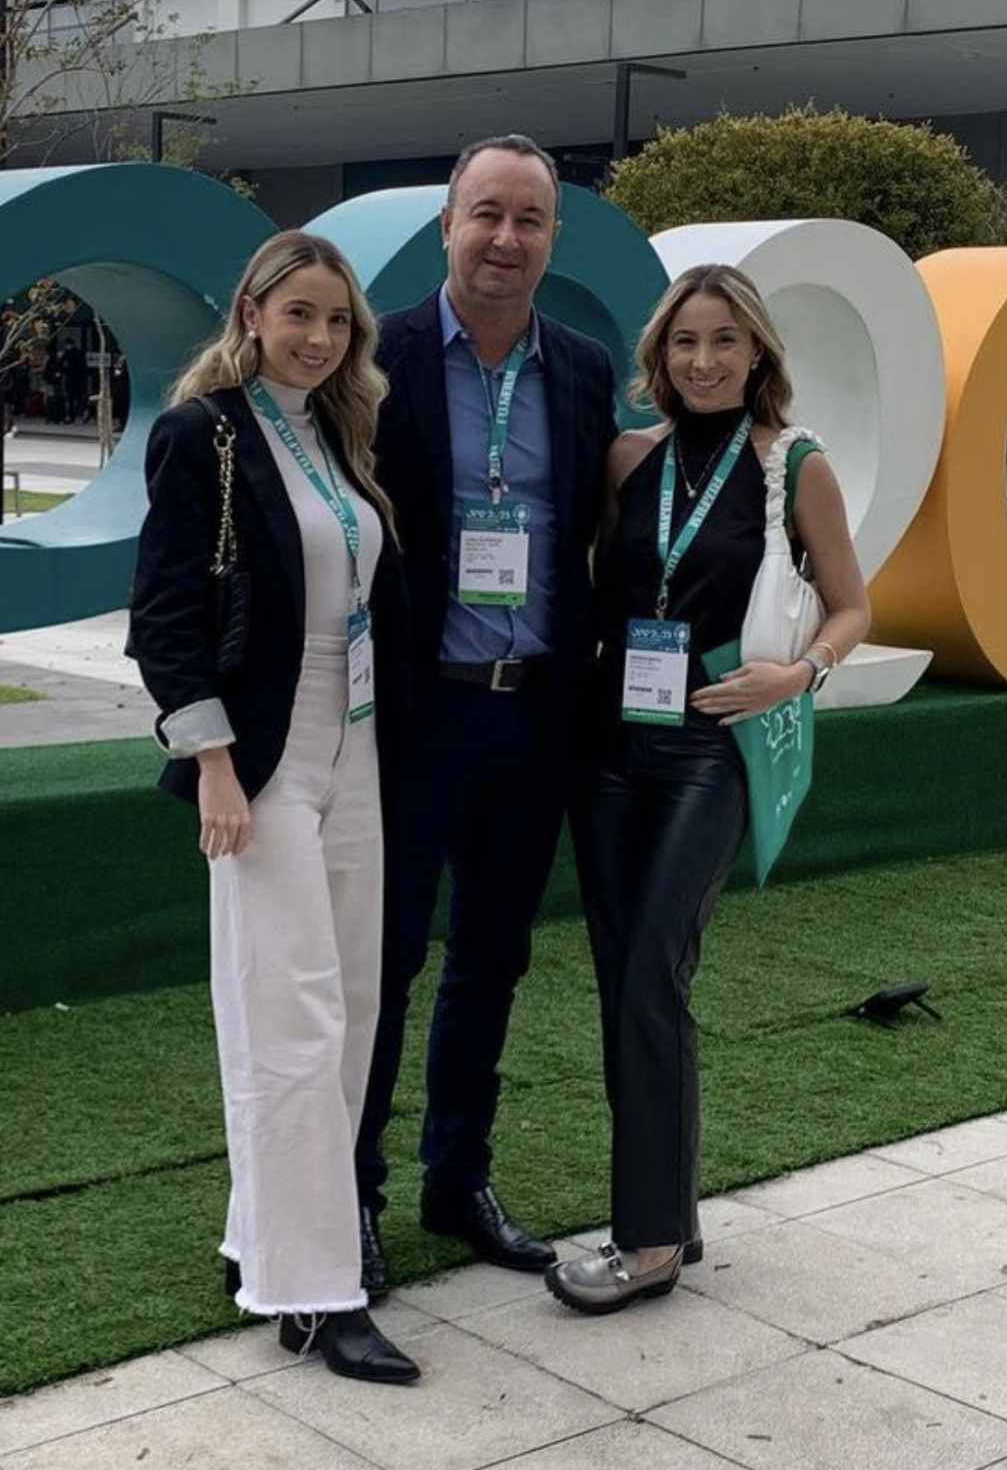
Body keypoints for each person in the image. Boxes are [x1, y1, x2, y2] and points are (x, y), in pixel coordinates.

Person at [545, 263, 870, 1315]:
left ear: (758, 349)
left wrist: (798, 674)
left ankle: (645, 1244)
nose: (703, 359)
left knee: (653, 965)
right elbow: (605, 584)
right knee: (626, 979)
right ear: (659, 352)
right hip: (607, 744)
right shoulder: (628, 456)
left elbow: (851, 606)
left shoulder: (793, 463)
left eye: (725, 339)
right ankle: (668, 1214)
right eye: (685, 340)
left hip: (712, 743)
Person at [128, 230, 419, 1384]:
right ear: (251, 312)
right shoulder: (199, 433)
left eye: (337, 319)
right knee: (287, 1020)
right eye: (299, 312)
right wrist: (211, 761)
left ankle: (268, 1241)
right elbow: (163, 614)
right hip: (262, 758)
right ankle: (314, 1292)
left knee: (349, 1006)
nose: (318, 336)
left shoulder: (339, 434)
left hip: (359, 745)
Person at [356, 134, 617, 1297]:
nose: (505, 238)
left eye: (529, 219)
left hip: (533, 717)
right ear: (447, 226)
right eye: (486, 214)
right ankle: (349, 1195)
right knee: (383, 964)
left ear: (553, 237)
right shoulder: (377, 358)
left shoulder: (584, 368)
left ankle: (454, 1179)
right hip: (414, 721)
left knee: (491, 960)